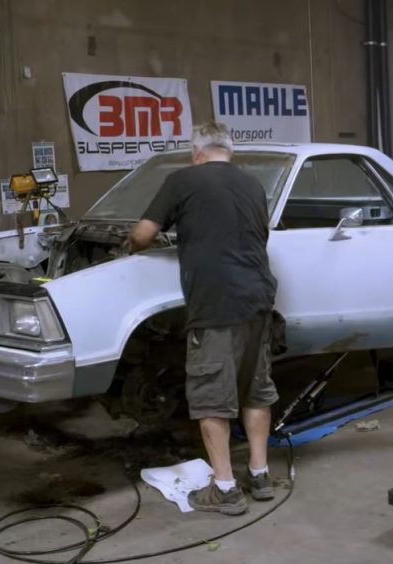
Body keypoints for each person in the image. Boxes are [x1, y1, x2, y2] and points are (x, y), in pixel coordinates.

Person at [128, 121, 279, 516]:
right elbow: (258, 234)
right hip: (258, 298)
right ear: (230, 152)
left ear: (196, 153)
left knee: (212, 395)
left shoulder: (183, 180)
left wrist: (131, 242)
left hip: (214, 304)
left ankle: (225, 489)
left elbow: (143, 235)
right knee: (255, 388)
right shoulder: (253, 185)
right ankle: (260, 474)